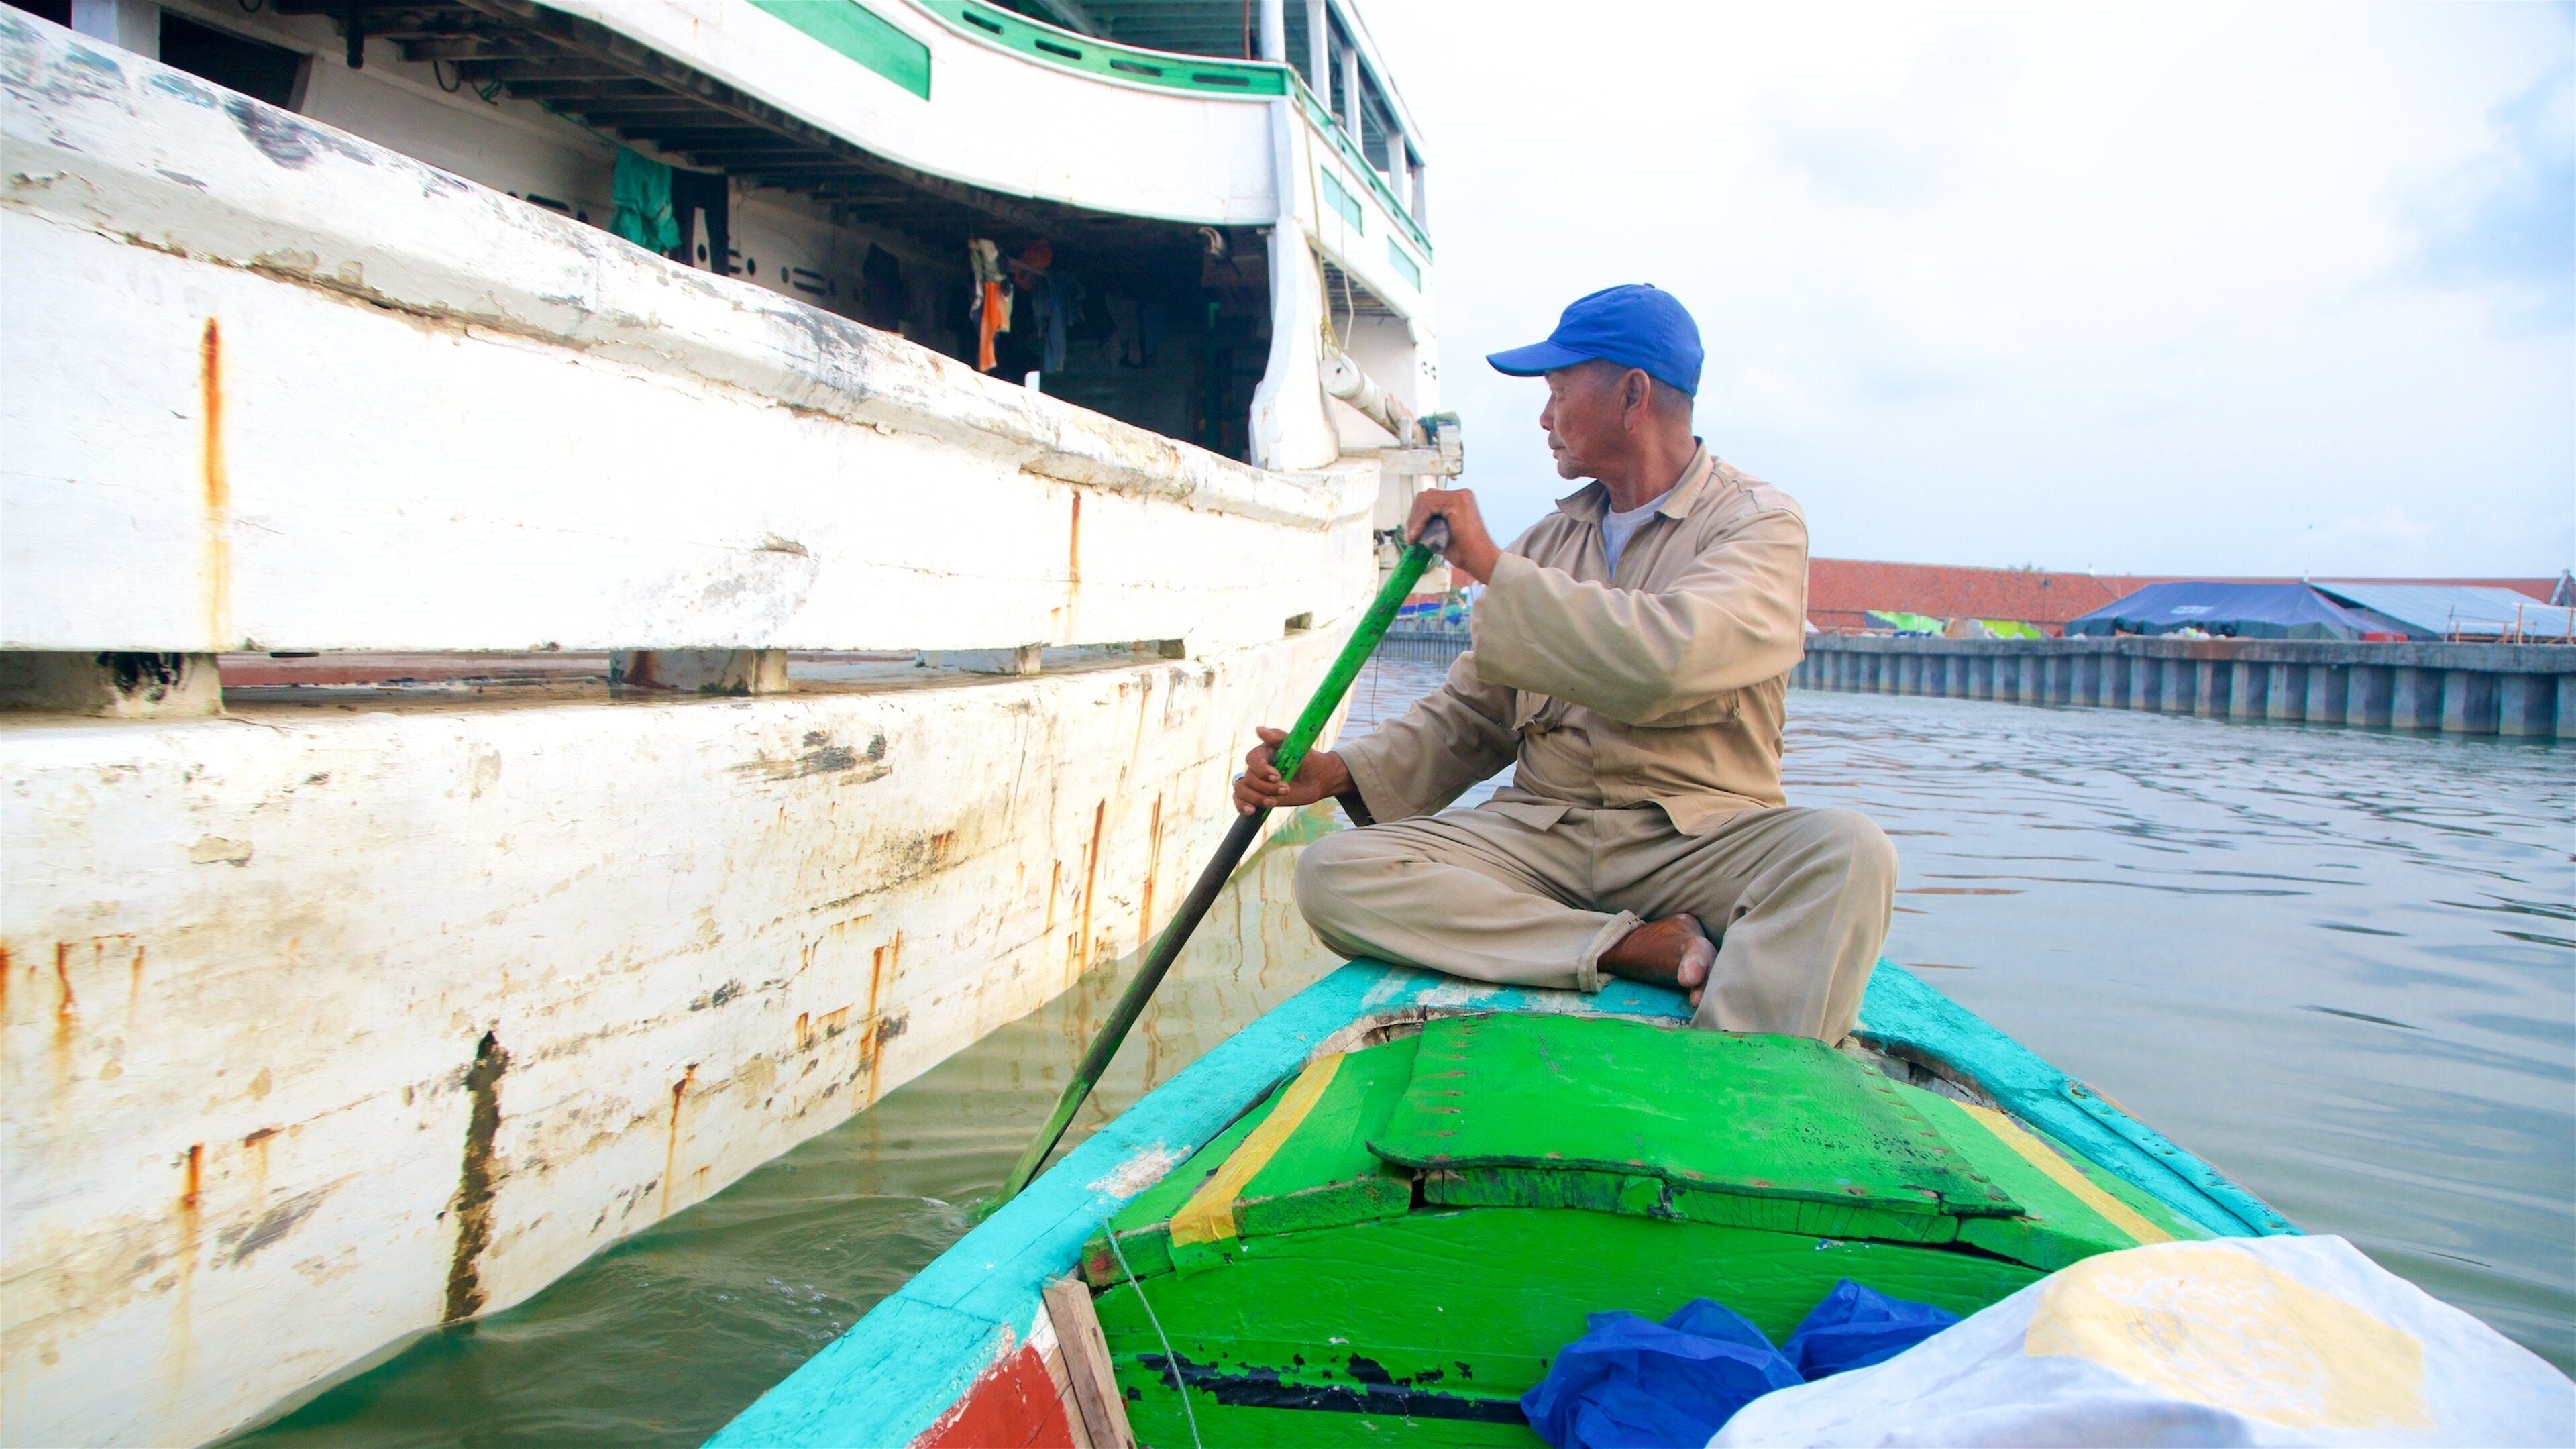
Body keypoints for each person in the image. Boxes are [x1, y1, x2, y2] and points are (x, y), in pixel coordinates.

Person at [1233, 284, 1895, 1042]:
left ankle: (1734, 1075)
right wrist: (1336, 772)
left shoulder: (1758, 527)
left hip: (1697, 842)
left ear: (1633, 395)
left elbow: (1665, 659)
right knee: (1333, 873)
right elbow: (1474, 713)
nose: (1544, 419)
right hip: (1542, 840)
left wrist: (1490, 566)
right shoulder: (1549, 543)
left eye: (1557, 392)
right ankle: (1624, 947)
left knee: (1850, 854)